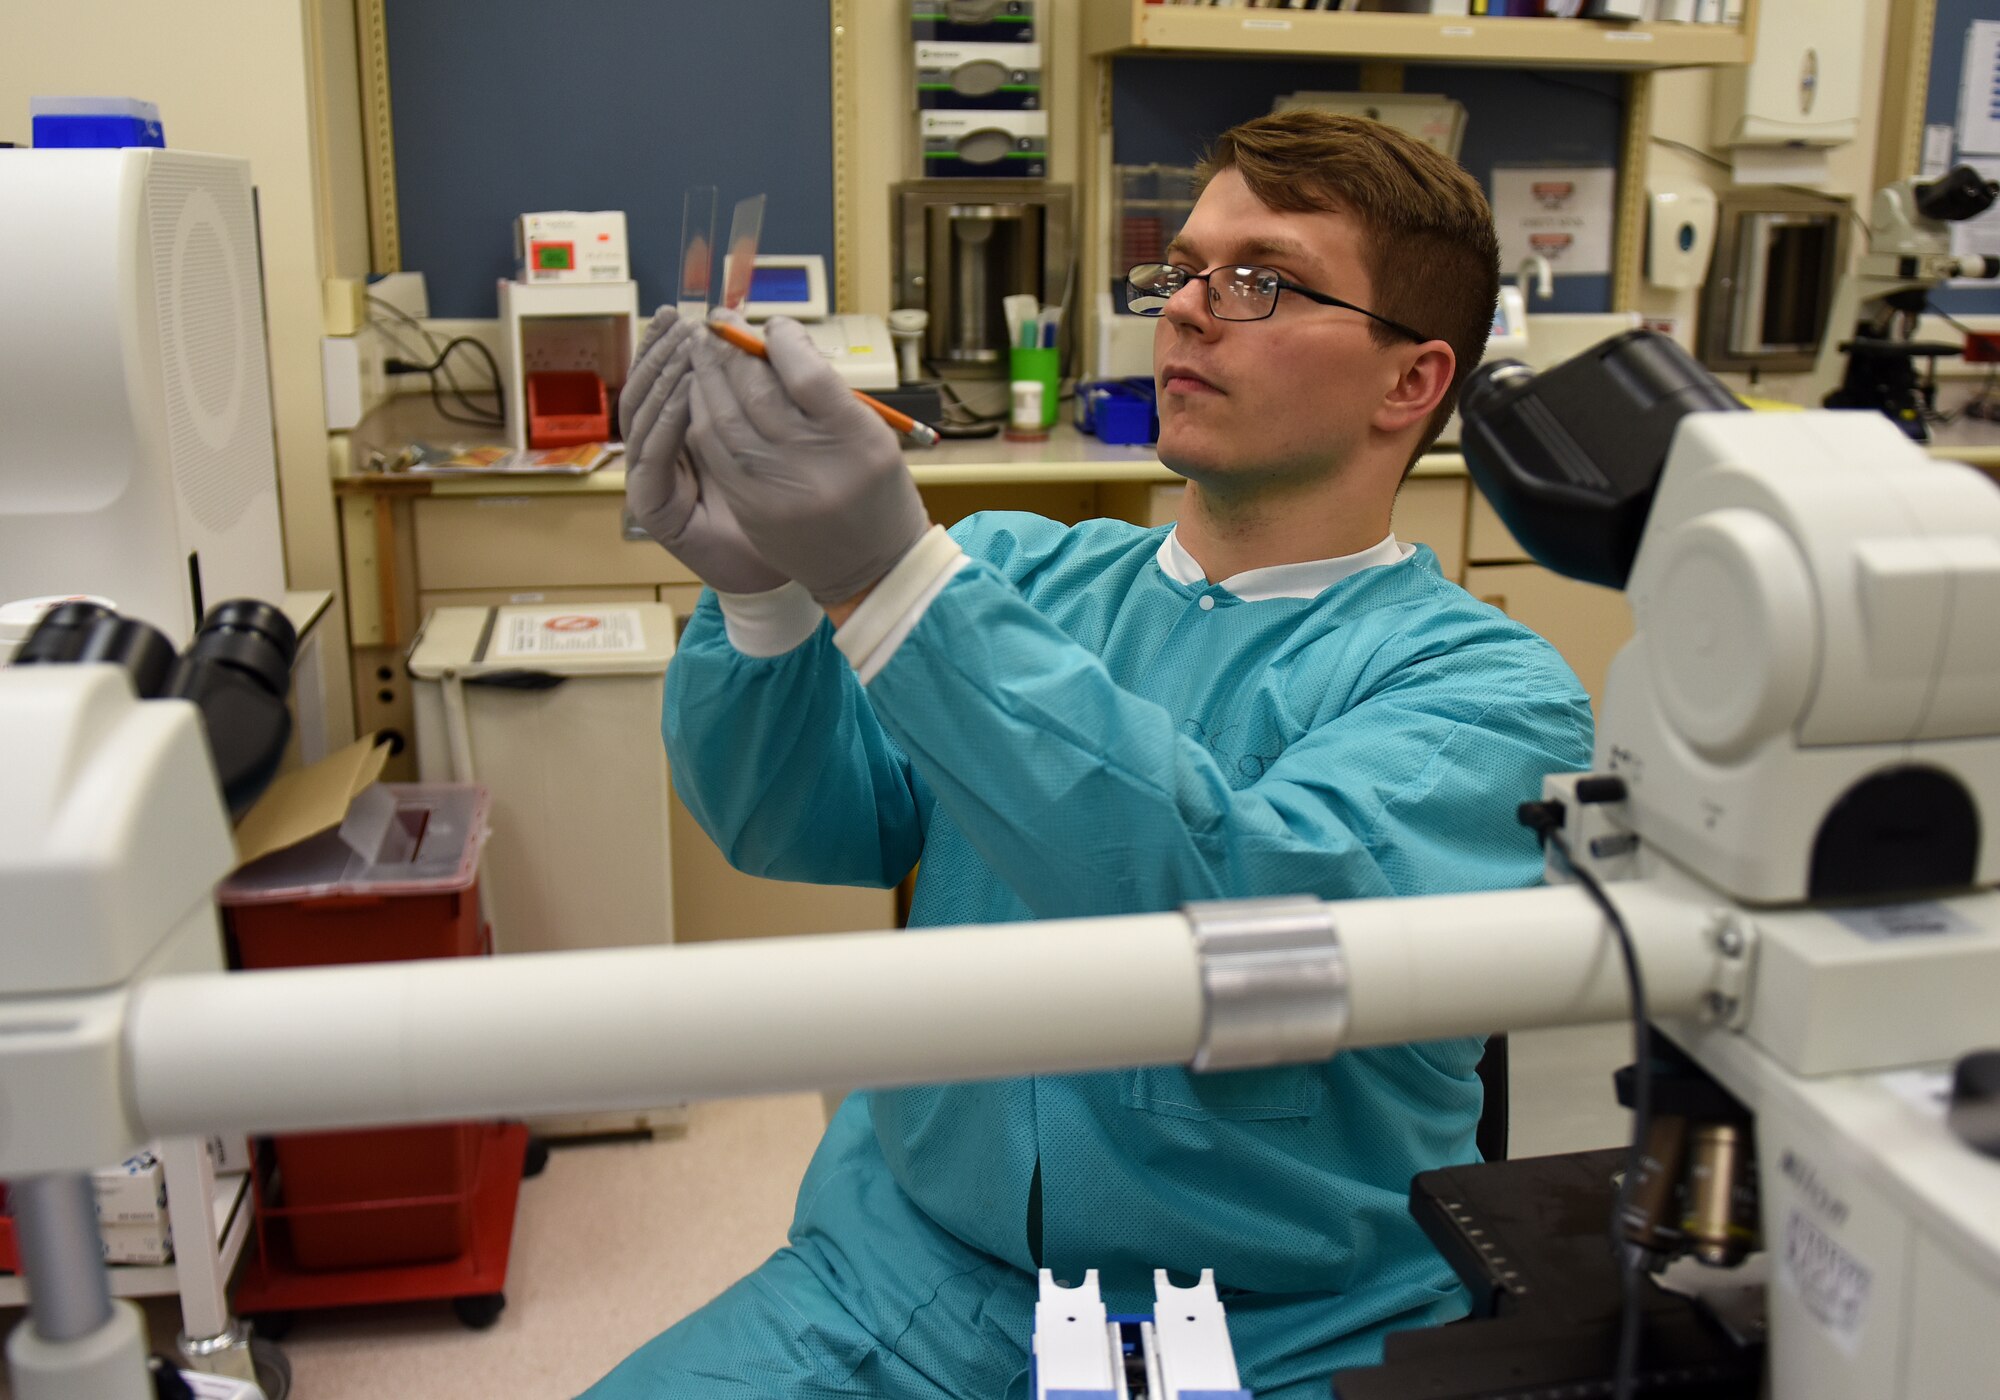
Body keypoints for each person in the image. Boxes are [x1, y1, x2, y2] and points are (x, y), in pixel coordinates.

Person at [587, 111, 1593, 1400]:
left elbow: (1239, 914)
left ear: (1411, 381)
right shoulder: (1016, 574)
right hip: (901, 1274)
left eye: (1260, 280)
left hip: (1275, 1328)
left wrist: (896, 586)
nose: (1186, 311)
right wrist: (765, 601)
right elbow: (798, 822)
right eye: (1180, 271)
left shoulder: (1487, 694)